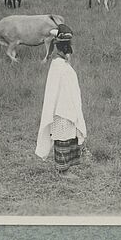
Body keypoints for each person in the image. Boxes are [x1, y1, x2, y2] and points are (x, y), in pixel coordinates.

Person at [35, 24, 87, 178]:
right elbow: (55, 91)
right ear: (65, 48)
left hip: (68, 107)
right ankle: (63, 171)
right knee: (62, 137)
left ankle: (66, 169)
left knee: (69, 136)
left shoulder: (62, 63)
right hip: (61, 108)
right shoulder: (58, 66)